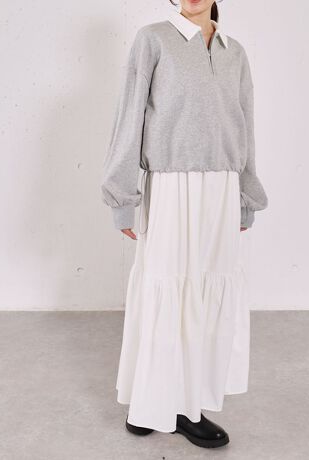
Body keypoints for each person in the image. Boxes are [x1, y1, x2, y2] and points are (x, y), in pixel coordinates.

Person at [101, 0, 268, 449]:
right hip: (171, 185)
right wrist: (122, 195)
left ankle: (179, 404)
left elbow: (245, 126)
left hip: (221, 189)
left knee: (203, 291)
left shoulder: (234, 51)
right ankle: (154, 401)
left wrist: (247, 196)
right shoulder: (153, 39)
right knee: (166, 286)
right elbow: (129, 116)